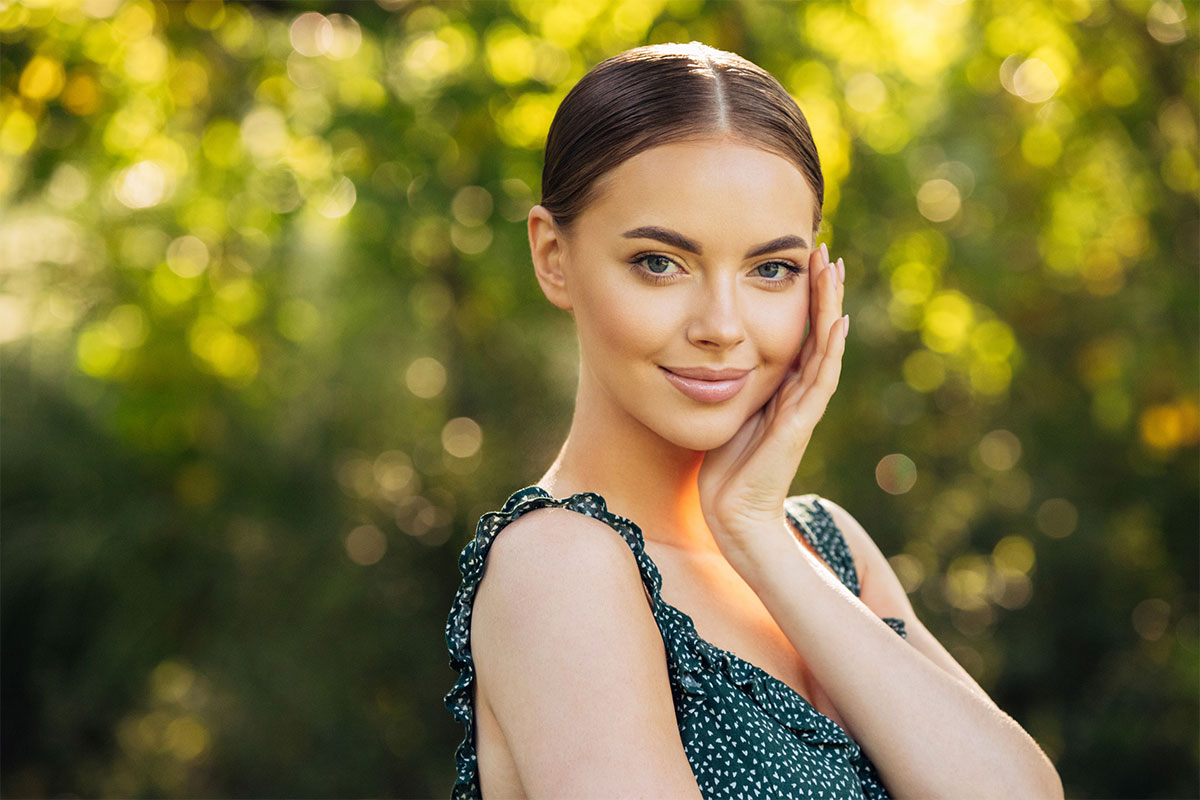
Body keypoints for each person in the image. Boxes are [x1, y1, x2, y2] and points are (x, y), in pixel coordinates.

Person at [444, 41, 1063, 799]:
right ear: (553, 256)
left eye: (771, 270)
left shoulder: (825, 547)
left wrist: (757, 534)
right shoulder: (559, 564)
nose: (723, 326)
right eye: (659, 262)